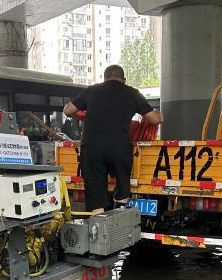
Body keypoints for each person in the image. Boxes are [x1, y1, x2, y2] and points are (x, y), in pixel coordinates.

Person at [63, 65, 163, 213]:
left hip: (92, 148)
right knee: (122, 184)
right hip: (118, 148)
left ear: (104, 78)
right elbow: (153, 119)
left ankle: (98, 226)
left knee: (96, 194)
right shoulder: (132, 93)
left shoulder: (92, 90)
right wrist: (161, 115)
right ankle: (119, 212)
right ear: (124, 79)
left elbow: (68, 110)